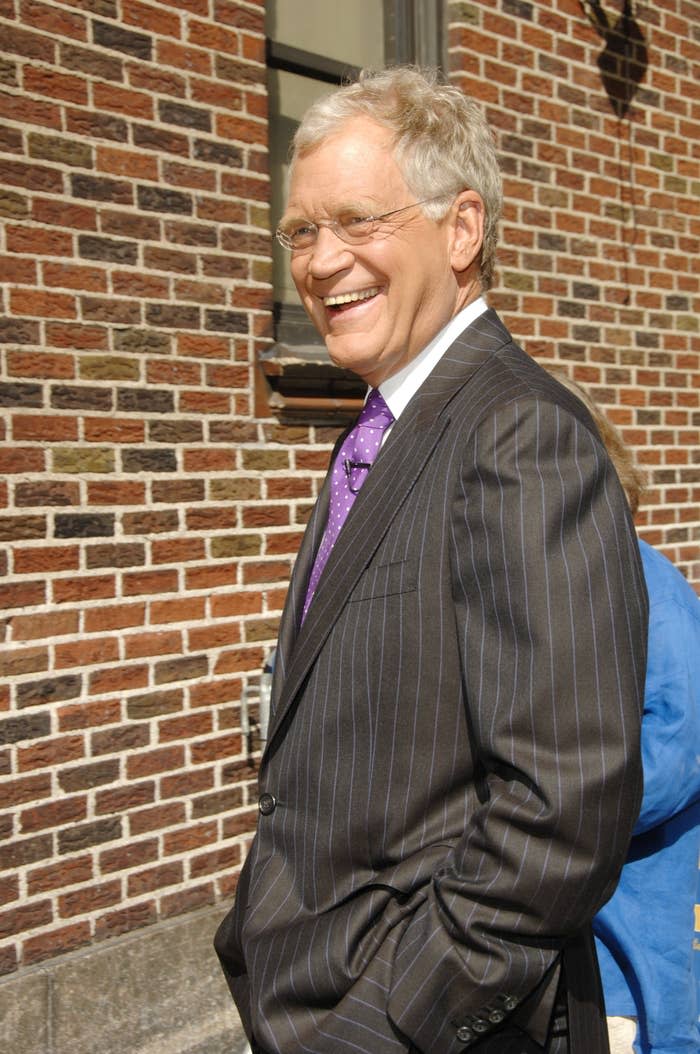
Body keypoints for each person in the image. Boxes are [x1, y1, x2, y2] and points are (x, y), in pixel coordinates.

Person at [215, 66, 649, 1054]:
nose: (320, 263)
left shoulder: (518, 434)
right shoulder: (376, 432)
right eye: (298, 232)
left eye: (357, 221)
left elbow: (561, 815)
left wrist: (384, 1025)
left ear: (461, 230)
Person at [548, 369, 700, 1054]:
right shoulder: (553, 589)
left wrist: (545, 811)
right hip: (570, 927)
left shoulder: (640, 582)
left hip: (632, 931)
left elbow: (678, 748)